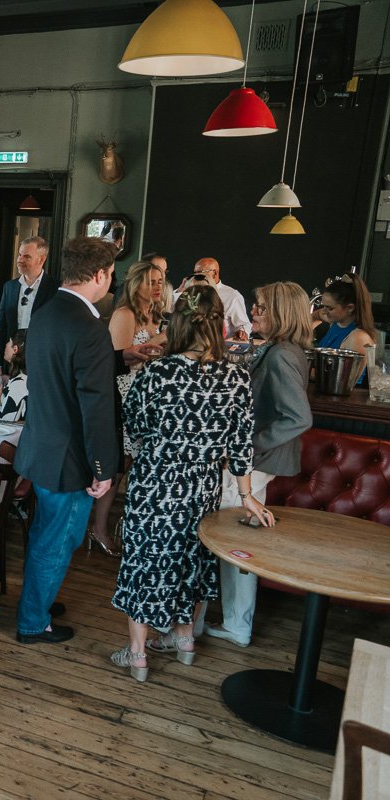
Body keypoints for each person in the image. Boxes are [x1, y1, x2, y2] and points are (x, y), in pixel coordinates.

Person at [110, 284, 275, 681]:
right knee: (190, 562)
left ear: (177, 324)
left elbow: (133, 429)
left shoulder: (155, 374)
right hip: (201, 487)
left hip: (155, 483)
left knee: (144, 563)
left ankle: (138, 655)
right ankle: (184, 641)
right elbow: (240, 444)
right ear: (218, 325)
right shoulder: (236, 378)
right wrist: (248, 495)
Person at [13, 237, 120, 644]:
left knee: (47, 533)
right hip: (69, 456)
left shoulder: (46, 311)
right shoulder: (90, 327)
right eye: (110, 273)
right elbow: (95, 408)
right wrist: (102, 468)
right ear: (99, 274)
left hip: (42, 442)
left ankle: (38, 601)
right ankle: (32, 621)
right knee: (58, 541)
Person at [207, 282, 313, 648]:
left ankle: (236, 624)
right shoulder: (282, 349)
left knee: (230, 540)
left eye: (262, 308)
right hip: (259, 460)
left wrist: (247, 447)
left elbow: (298, 418)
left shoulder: (282, 354)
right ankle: (236, 622)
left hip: (258, 460)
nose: (254, 311)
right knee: (237, 539)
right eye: (256, 305)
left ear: (282, 313)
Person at [88, 261, 168, 556]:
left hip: (146, 398)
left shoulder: (155, 314)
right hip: (123, 396)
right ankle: (98, 527)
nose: (157, 287)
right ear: (136, 285)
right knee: (116, 464)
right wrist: (160, 341)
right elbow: (116, 361)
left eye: (160, 281)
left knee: (132, 467)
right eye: (151, 281)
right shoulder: (125, 314)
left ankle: (126, 526)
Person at [0, 236, 59, 374]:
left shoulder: (55, 289)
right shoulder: (9, 287)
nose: (20, 260)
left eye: (27, 257)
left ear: (41, 259)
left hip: (41, 362)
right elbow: (0, 326)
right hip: (12, 361)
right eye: (20, 255)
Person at [176, 258, 251, 339]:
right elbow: (171, 310)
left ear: (215, 273)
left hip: (220, 345)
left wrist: (242, 331)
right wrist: (180, 291)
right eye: (195, 273)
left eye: (201, 273)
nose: (197, 276)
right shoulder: (189, 290)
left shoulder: (232, 296)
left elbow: (243, 324)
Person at [316, 272, 377, 354]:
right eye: (324, 306)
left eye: (330, 308)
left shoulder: (359, 338)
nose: (324, 311)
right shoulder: (336, 323)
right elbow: (317, 314)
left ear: (350, 308)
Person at [0, 330, 28, 422]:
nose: (6, 345)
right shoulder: (24, 377)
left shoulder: (20, 383)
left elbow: (4, 422)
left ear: (15, 349)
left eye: (9, 342)